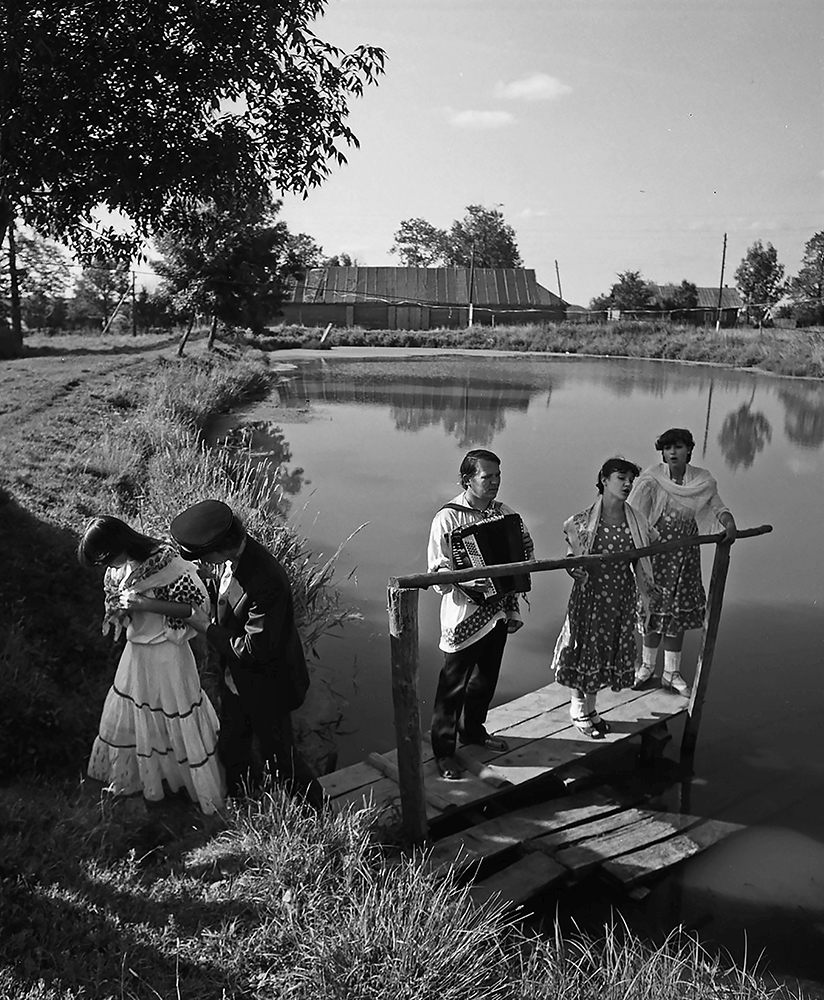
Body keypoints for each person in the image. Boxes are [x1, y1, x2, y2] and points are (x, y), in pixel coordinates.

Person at [169, 499, 324, 810]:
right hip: (236, 681)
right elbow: (229, 601)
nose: (204, 562)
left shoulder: (266, 580)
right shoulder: (231, 560)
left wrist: (205, 627)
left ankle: (317, 813)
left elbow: (254, 648)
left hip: (269, 686)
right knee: (233, 746)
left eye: (205, 556)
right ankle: (246, 802)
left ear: (222, 548)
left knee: (281, 759)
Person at [78, 516, 224, 814]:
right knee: (139, 710)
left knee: (175, 711)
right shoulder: (119, 570)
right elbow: (118, 599)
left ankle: (193, 790)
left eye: (107, 559)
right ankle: (152, 780)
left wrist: (145, 605)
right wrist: (120, 611)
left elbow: (195, 609)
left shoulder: (169, 564)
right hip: (137, 653)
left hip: (168, 654)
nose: (109, 568)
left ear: (118, 545)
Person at [427, 449, 534, 780]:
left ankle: (473, 731)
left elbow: (524, 550)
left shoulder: (505, 514)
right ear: (467, 480)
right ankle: (444, 752)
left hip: (497, 614)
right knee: (452, 686)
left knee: (485, 680)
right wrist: (462, 578)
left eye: (498, 477)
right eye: (487, 477)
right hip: (463, 616)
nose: (495, 484)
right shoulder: (448, 518)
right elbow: (436, 569)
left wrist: (514, 596)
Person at [551, 458, 658, 738]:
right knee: (585, 645)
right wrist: (574, 568)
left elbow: (650, 544)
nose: (626, 484)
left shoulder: (636, 520)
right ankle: (577, 708)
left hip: (620, 595)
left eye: (630, 480)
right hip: (591, 595)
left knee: (607, 648)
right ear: (604, 479)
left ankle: (592, 707)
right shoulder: (583, 522)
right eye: (620, 478)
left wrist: (648, 588)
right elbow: (572, 554)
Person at [628, 427, 737, 696]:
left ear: (689, 449)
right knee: (653, 610)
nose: (672, 453)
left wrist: (729, 523)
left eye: (678, 447)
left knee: (676, 614)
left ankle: (671, 673)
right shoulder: (652, 479)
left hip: (686, 557)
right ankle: (646, 667)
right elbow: (634, 514)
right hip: (656, 556)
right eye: (667, 448)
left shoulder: (702, 480)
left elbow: (718, 508)